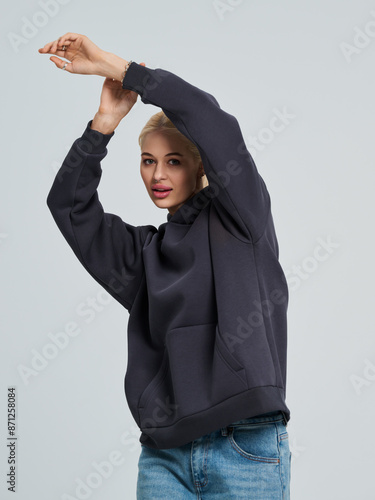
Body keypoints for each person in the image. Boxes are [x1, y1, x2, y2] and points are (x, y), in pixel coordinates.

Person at [39, 32, 292, 499]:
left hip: (246, 445)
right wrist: (104, 123)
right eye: (148, 160)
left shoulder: (242, 219)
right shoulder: (143, 257)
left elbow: (212, 121)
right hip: (164, 454)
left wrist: (118, 68)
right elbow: (69, 207)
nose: (157, 175)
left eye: (173, 161)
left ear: (200, 167)